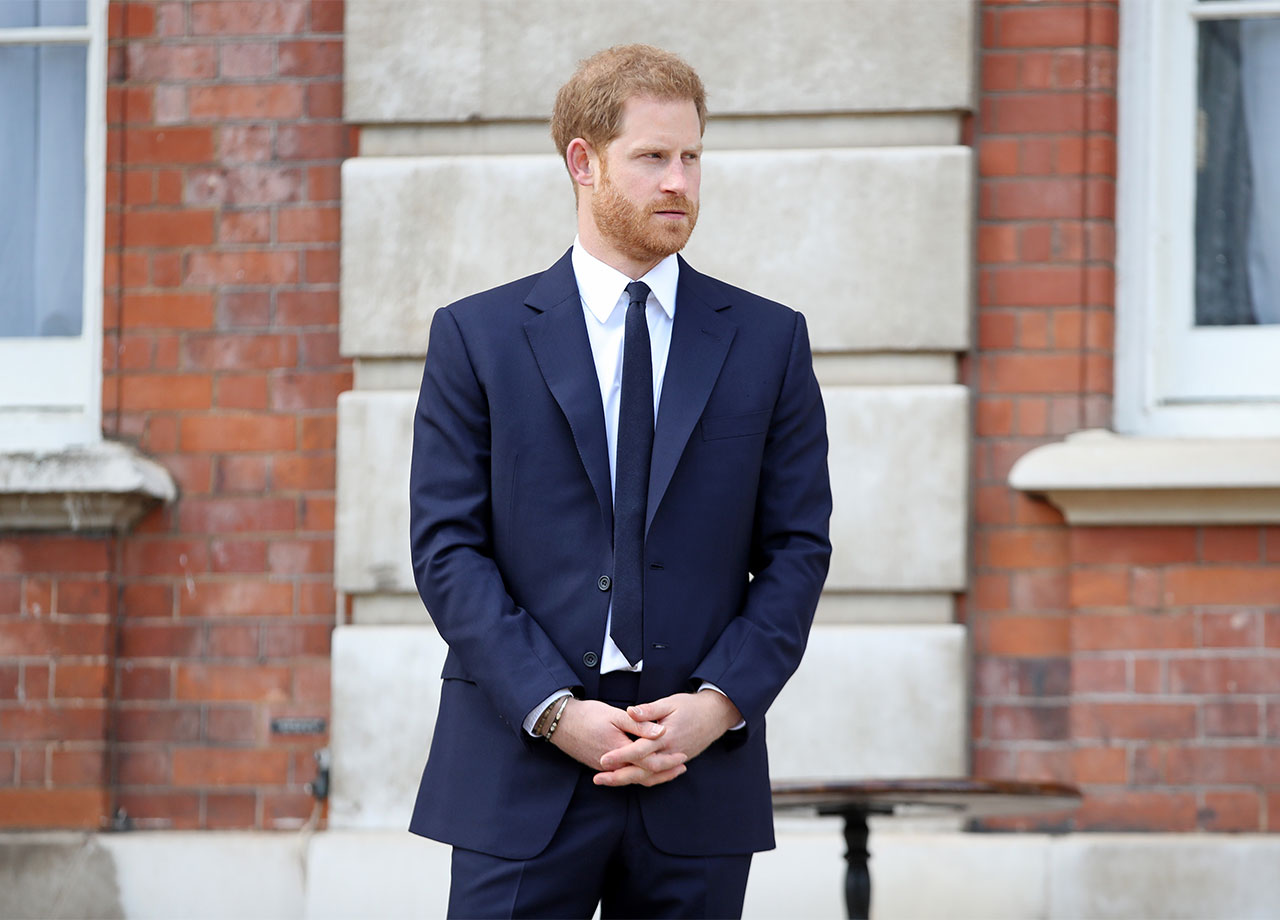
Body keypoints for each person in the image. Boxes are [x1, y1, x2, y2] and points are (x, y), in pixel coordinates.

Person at [408, 43, 832, 919]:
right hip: (517, 770)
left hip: (696, 775)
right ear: (582, 162)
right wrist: (555, 711)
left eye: (692, 157)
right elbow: (448, 549)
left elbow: (797, 550)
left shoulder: (768, 340)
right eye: (652, 157)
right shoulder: (476, 338)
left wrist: (719, 705)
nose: (679, 180)